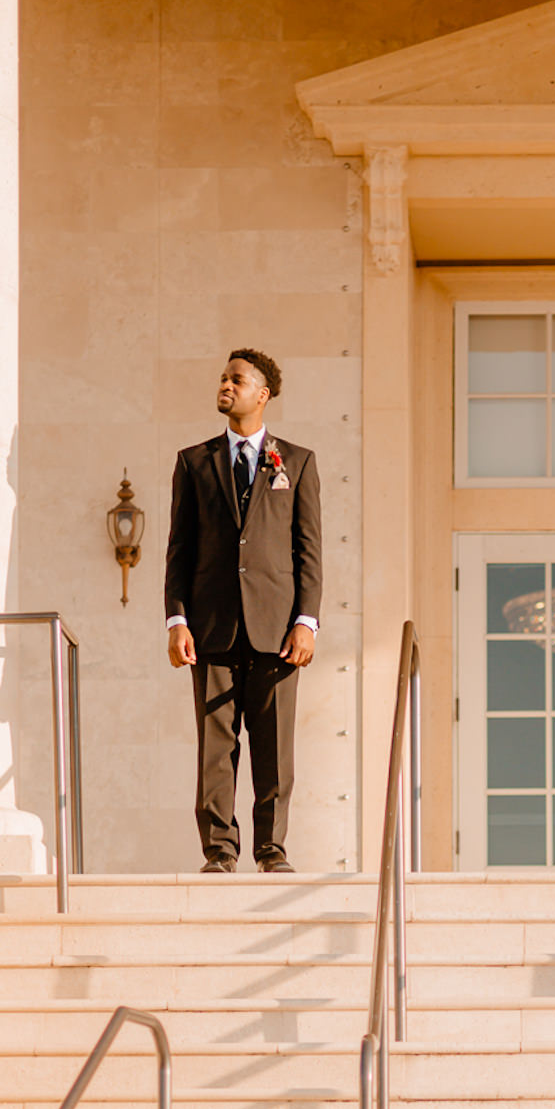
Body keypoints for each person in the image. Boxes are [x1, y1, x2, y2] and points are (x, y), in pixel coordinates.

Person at [165, 349, 322, 874]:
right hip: (210, 626)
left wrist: (307, 620)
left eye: (237, 379)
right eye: (223, 377)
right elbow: (179, 549)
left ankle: (271, 851)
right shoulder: (193, 462)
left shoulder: (296, 462)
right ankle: (219, 852)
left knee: (274, 748)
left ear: (263, 393)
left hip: (277, 630)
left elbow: (309, 550)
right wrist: (176, 619)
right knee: (215, 747)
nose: (226, 385)